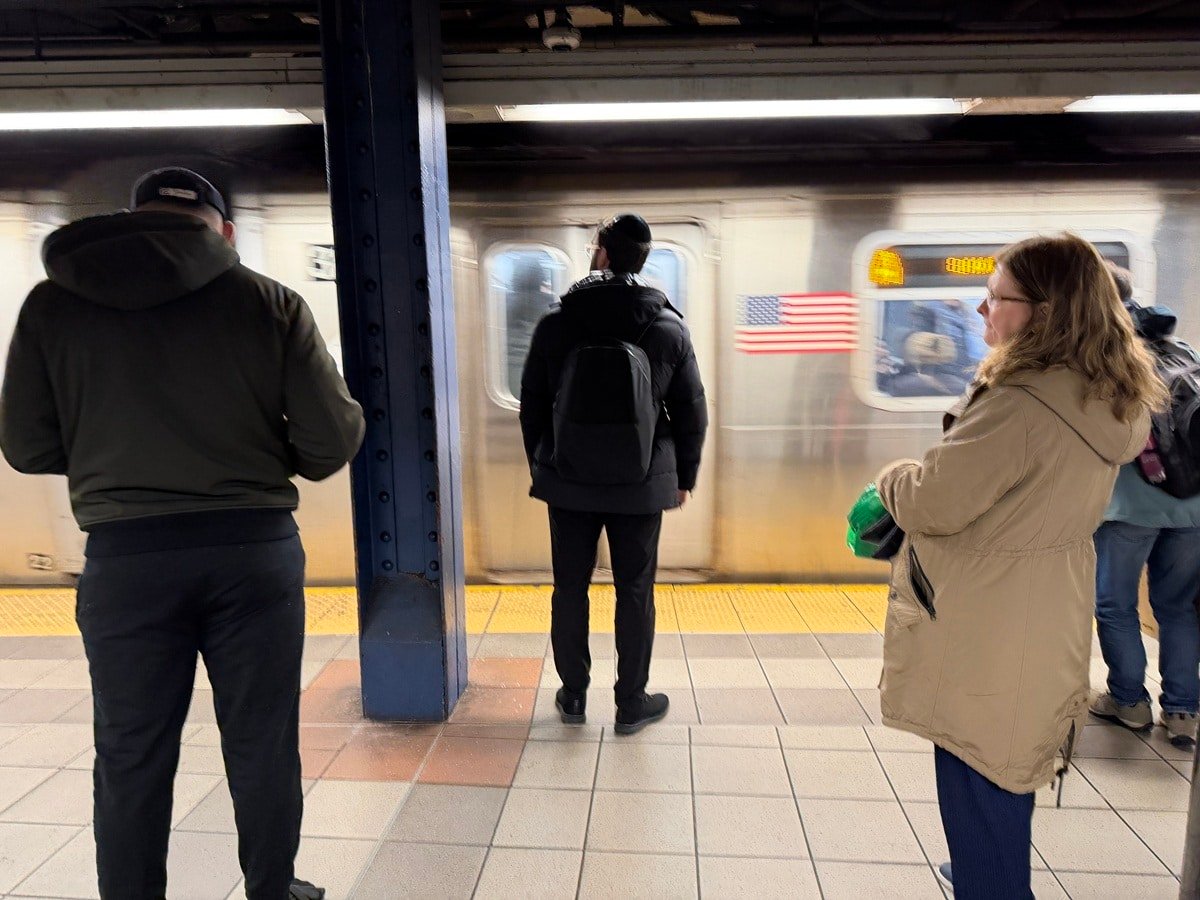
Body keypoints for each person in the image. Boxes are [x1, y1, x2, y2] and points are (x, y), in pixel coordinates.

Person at [0, 167, 364, 900]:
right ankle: (272, 890)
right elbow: (330, 443)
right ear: (224, 231)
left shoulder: (52, 304)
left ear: (134, 220)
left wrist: (112, 457)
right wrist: (262, 454)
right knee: (262, 742)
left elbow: (27, 447)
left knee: (130, 754)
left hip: (127, 559)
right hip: (252, 554)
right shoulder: (269, 302)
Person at [875, 234, 1162, 899]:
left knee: (975, 759)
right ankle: (989, 869)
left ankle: (991, 880)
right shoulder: (1102, 391)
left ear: (1046, 310)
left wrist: (893, 477)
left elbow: (931, 501)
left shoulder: (1021, 403)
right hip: (1046, 599)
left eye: (996, 297)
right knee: (1010, 753)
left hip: (989, 614)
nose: (982, 310)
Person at [519, 213, 707, 734]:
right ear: (641, 260)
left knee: (570, 588)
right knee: (635, 590)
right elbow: (691, 410)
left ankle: (574, 695)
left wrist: (545, 462)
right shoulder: (668, 327)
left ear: (602, 253)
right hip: (641, 484)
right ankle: (631, 702)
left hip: (568, 482)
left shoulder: (556, 322)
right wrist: (684, 476)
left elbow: (532, 404)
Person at [1091, 264, 1200, 748]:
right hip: (1193, 506)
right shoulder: (1180, 346)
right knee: (1177, 607)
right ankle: (1182, 711)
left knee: (1115, 605)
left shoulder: (1104, 353)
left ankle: (1129, 702)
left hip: (1129, 508)